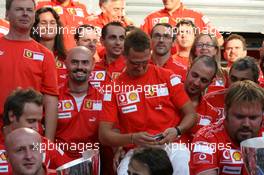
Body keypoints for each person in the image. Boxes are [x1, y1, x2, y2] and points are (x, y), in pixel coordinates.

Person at [99, 29, 196, 175]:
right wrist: (131, 138)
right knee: (124, 172)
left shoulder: (166, 76)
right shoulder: (113, 88)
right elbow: (104, 135)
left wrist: (177, 130)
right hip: (136, 149)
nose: (140, 67)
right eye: (135, 63)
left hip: (170, 145)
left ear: (150, 53)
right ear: (124, 56)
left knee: (182, 163)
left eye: (145, 62)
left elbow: (191, 115)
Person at [0, 0, 58, 141]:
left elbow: (50, 101)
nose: (25, 14)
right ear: (7, 14)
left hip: (29, 135)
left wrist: (47, 142)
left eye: (29, 10)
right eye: (19, 9)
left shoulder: (45, 54)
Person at [190, 80, 264, 175]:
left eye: (253, 118)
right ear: (225, 112)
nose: (246, 124)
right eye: (239, 116)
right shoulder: (205, 138)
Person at [2, 88, 71, 173]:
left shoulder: (44, 145)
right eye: (31, 121)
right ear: (12, 116)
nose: (37, 128)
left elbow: (70, 170)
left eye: (39, 122)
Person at [56, 46, 102, 162]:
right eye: (74, 62)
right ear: (66, 64)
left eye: (85, 63)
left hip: (92, 163)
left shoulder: (103, 98)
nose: (80, 67)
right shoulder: (53, 97)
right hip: (58, 163)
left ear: (92, 65)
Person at [141, 0, 223, 45]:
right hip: (160, 69)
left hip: (189, 70)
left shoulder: (197, 16)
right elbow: (139, 44)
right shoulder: (151, 18)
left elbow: (219, 40)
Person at [183, 56, 219, 141]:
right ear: (188, 69)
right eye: (194, 75)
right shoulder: (166, 98)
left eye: (203, 80)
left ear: (211, 82)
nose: (196, 83)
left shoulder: (212, 114)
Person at [31, 7, 67, 87]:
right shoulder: (28, 56)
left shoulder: (66, 58)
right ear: (35, 27)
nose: (48, 27)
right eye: (43, 23)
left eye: (52, 23)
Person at [90, 22, 126, 89]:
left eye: (121, 38)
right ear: (102, 41)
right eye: (113, 38)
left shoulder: (132, 69)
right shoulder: (92, 69)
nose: (118, 42)